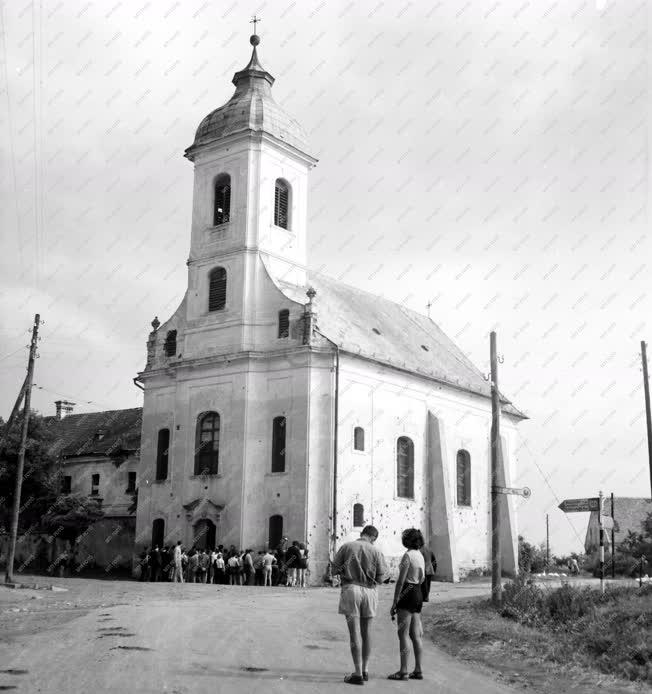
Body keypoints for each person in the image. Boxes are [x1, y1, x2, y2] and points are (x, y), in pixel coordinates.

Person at [331, 525, 389, 686]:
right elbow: (382, 577)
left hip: (351, 589)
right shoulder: (376, 551)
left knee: (354, 633)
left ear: (362, 534)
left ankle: (357, 673)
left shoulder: (347, 546)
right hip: (370, 591)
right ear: (373, 538)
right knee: (367, 633)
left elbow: (334, 569)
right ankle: (365, 670)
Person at [388, 528, 426, 681]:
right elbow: (422, 579)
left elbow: (400, 581)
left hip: (407, 592)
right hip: (417, 592)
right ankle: (418, 669)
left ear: (407, 541)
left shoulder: (408, 556)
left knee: (402, 634)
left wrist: (395, 601)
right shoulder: (420, 555)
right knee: (415, 635)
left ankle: (403, 670)